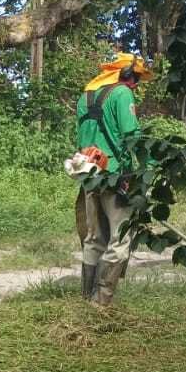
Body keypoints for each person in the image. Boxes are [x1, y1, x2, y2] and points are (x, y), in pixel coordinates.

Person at [74, 53, 151, 307]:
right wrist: (148, 166)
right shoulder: (121, 93)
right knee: (120, 239)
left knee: (94, 238)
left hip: (87, 174)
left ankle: (88, 299)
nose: (136, 85)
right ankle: (102, 302)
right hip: (115, 175)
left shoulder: (85, 97)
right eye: (136, 78)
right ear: (126, 74)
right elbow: (132, 135)